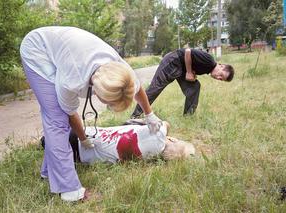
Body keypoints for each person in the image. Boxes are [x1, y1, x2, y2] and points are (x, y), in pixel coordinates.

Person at [20, 26, 162, 202]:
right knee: (56, 119)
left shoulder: (120, 70)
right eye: (110, 104)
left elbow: (137, 88)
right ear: (97, 92)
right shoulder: (73, 80)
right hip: (37, 50)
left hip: (65, 47)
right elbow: (70, 114)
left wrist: (149, 114)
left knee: (58, 117)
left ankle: (49, 172)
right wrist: (83, 138)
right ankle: (70, 191)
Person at [131, 48, 235, 117]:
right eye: (221, 75)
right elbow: (188, 51)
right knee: (155, 88)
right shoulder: (209, 61)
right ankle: (135, 115)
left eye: (221, 79)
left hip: (181, 69)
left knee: (195, 87)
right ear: (221, 66)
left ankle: (188, 117)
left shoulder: (208, 69)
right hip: (173, 62)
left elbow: (193, 62)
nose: (218, 77)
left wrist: (192, 73)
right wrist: (189, 72)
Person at [41, 121, 195, 164]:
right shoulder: (149, 159)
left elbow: (166, 124)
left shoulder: (160, 132)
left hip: (83, 135)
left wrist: (166, 133)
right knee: (47, 143)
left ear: (173, 139)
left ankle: (45, 141)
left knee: (50, 136)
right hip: (79, 158)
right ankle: (45, 144)